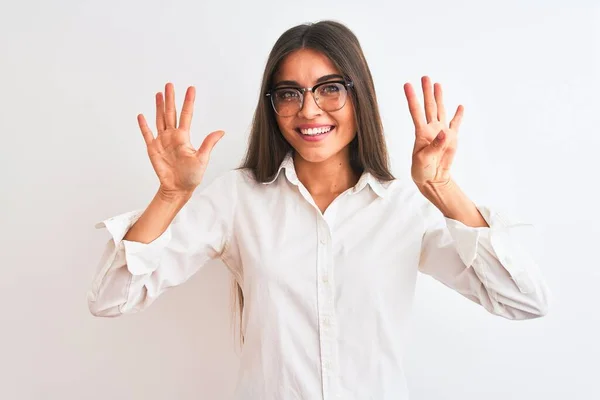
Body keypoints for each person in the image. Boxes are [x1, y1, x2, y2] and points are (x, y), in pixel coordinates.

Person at [87, 20, 549, 400]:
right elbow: (110, 299)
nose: (308, 110)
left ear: (359, 95)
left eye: (330, 89)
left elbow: (523, 301)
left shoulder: (405, 208)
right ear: (273, 108)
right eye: (288, 94)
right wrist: (169, 196)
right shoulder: (237, 199)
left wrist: (443, 189)